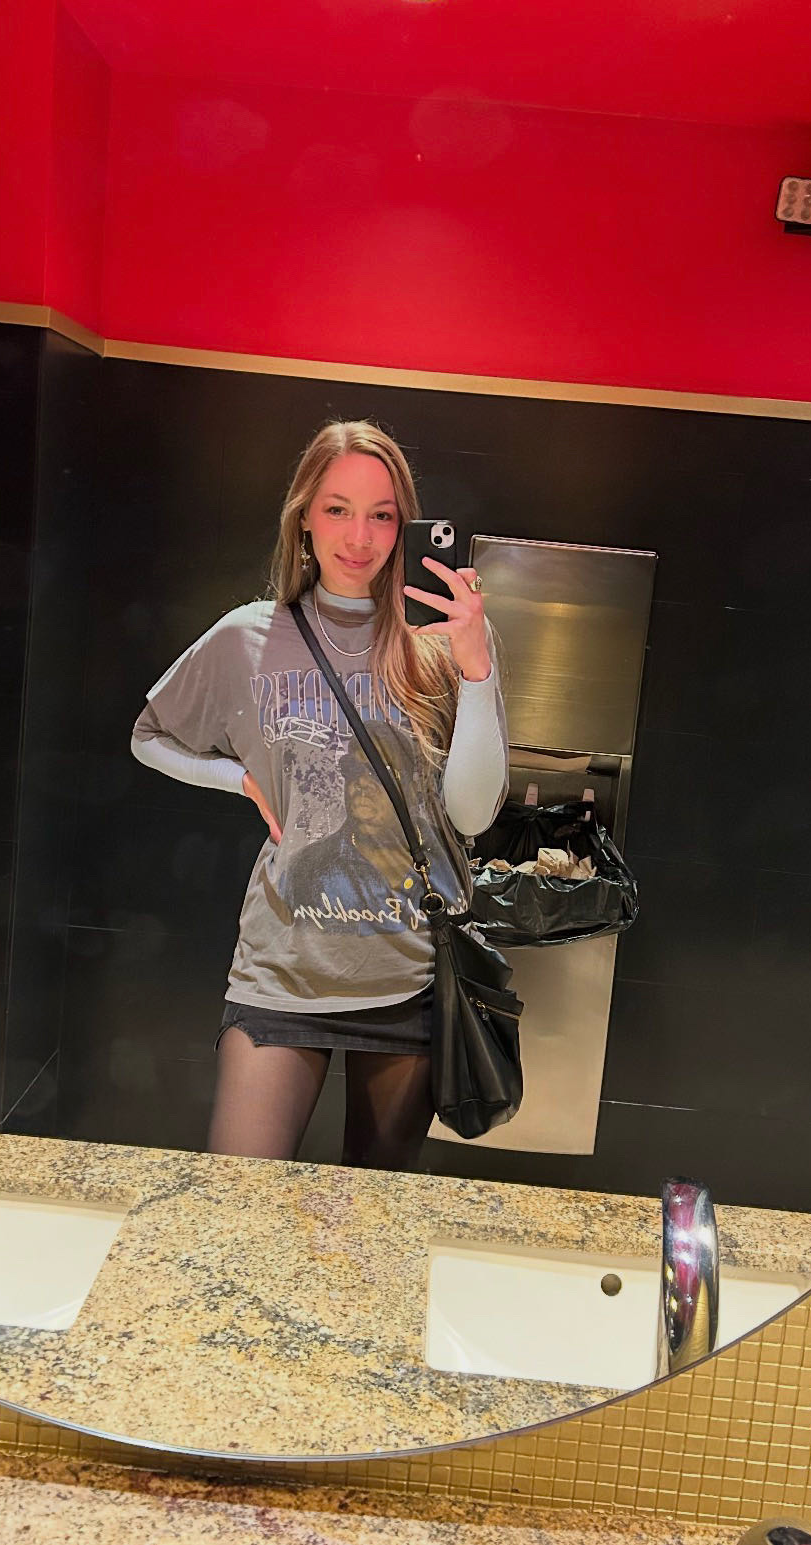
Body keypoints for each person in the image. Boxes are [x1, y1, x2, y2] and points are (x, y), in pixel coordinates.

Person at [131, 419, 508, 1170]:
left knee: (365, 1228)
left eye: (381, 514)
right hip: (281, 967)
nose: (359, 537)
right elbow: (149, 735)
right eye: (337, 509)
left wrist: (476, 668)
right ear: (304, 515)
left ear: (404, 525)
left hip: (406, 976)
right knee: (236, 1200)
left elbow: (471, 813)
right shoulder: (249, 637)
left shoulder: (443, 643)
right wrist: (237, 778)